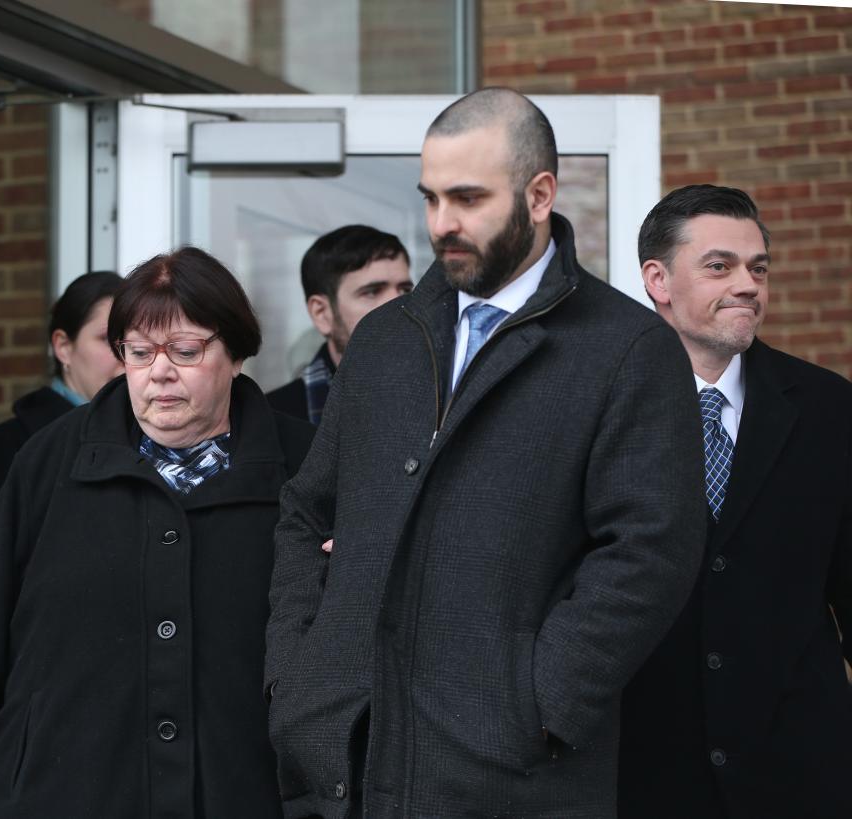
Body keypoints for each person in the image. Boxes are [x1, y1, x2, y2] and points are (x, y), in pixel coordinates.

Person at [265, 87, 706, 818]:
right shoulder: (385, 338)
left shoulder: (626, 350)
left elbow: (650, 552)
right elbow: (306, 513)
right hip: (346, 761)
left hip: (510, 777)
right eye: (431, 198)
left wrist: (538, 700)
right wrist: (297, 675)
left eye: (467, 197)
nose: (442, 224)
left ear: (539, 194)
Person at [0, 247, 314, 818]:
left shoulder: (307, 466)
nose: (160, 371)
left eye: (186, 351)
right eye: (138, 353)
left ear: (237, 354)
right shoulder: (49, 462)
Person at [619, 185, 852, 819]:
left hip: (800, 774)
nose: (747, 283)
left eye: (758, 267)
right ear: (658, 280)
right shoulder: (598, 410)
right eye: (720, 266)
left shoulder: (830, 409)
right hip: (641, 772)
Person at [0, 270, 124, 557]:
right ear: (63, 347)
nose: (125, 355)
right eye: (108, 339)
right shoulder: (7, 447)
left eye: (133, 342)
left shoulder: (154, 442)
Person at [266, 224, 412, 424]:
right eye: (372, 292)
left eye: (405, 290)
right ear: (322, 313)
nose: (400, 305)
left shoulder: (444, 398)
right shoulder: (274, 419)